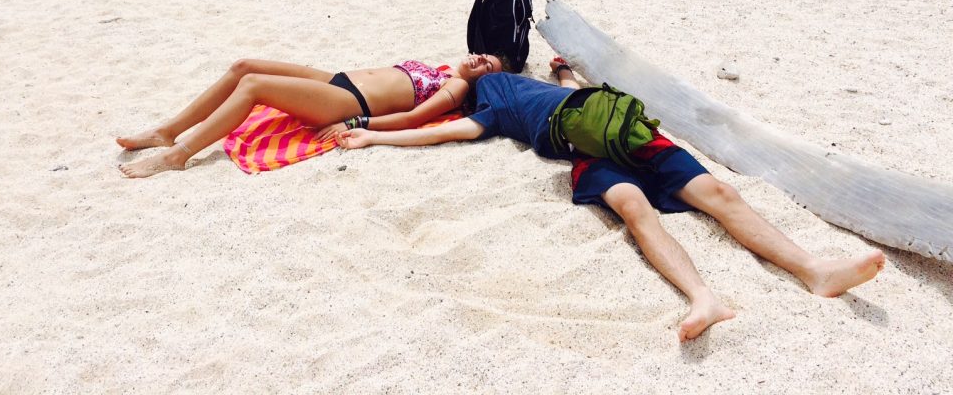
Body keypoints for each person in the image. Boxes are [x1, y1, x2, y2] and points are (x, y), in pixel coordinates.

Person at [338, 57, 886, 341]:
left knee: (718, 192)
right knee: (633, 207)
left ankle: (816, 270)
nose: (475, 61)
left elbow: (577, 91)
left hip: (619, 127)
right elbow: (438, 130)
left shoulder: (530, 81)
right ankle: (703, 299)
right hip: (588, 149)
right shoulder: (489, 104)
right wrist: (374, 134)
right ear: (458, 89)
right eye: (466, 65)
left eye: (482, 58)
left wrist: (562, 71)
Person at [117, 54, 502, 178]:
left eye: (487, 65)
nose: (480, 60)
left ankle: (179, 154)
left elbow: (412, 118)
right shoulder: (444, 70)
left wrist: (357, 124)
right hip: (338, 80)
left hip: (350, 103)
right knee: (243, 66)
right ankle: (168, 131)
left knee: (253, 85)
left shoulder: (458, 89)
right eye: (483, 54)